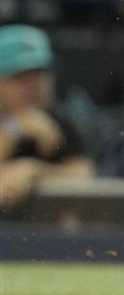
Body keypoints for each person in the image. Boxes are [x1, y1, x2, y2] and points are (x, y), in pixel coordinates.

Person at [0, 25, 96, 211]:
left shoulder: (58, 117)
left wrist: (34, 171)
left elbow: (84, 175)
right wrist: (14, 128)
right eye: (20, 77)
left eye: (40, 75)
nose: (33, 87)